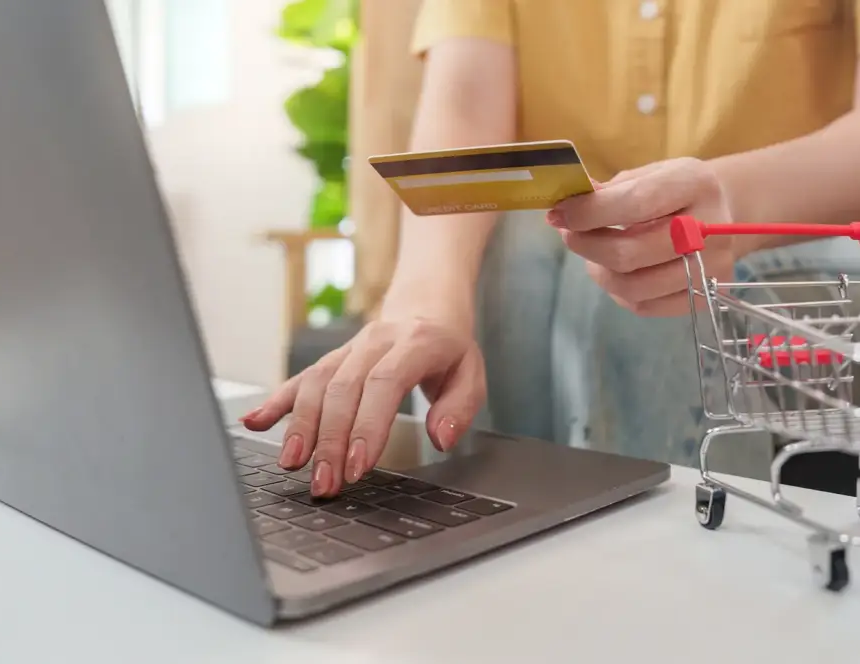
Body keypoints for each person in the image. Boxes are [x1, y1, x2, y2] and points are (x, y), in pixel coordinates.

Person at [244, 0, 860, 498]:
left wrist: (730, 203)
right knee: (512, 250)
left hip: (793, 257)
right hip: (558, 267)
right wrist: (425, 307)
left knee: (656, 284)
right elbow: (465, 100)